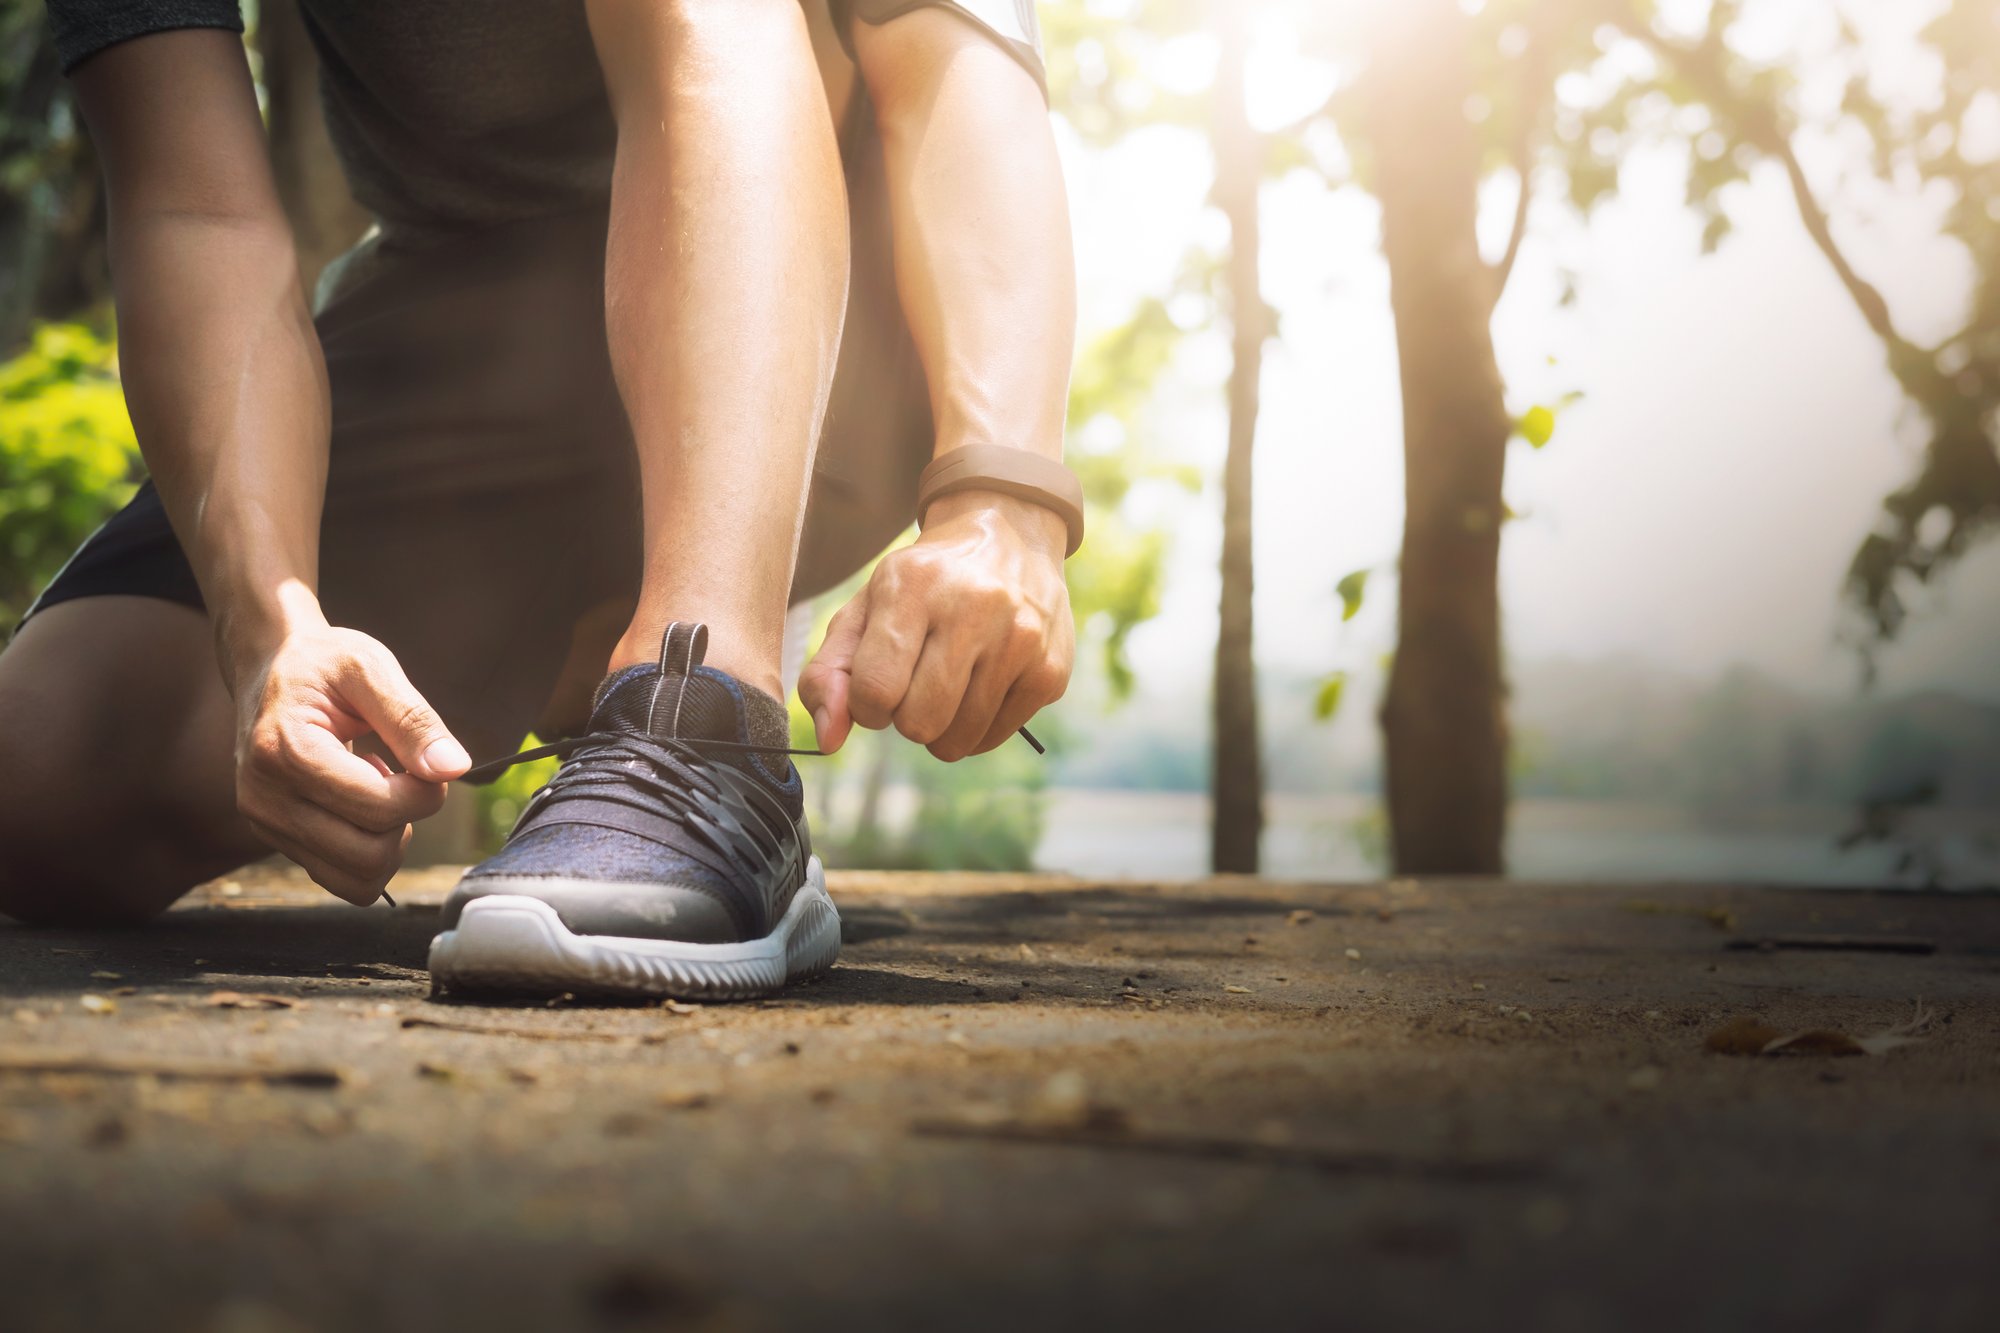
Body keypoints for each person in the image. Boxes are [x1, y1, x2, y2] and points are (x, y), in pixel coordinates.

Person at [0, 0, 1082, 999]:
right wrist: (266, 632)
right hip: (468, 326)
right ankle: (574, 638)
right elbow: (195, 211)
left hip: (844, 323)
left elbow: (949, 52)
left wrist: (1002, 499)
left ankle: (702, 712)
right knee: (42, 779)